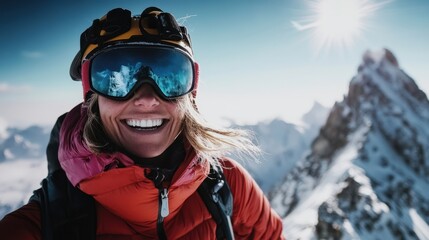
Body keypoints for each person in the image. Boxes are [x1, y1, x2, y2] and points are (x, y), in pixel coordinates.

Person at [0, 7, 284, 239]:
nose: (146, 98)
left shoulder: (227, 184)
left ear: (191, 92)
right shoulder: (41, 226)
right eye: (116, 78)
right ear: (91, 96)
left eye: (169, 77)